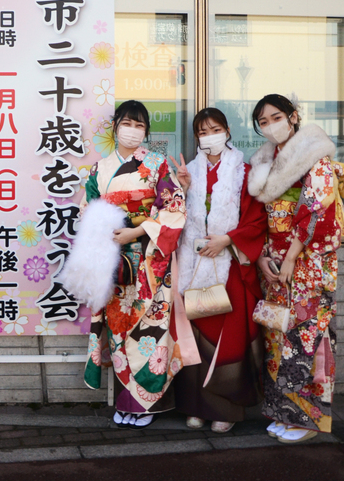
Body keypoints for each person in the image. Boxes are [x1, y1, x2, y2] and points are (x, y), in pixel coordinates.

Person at [249, 93, 344, 444]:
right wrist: (266, 256)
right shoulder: (268, 161)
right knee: (278, 335)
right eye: (263, 122)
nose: (270, 126)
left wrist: (294, 254)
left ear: (293, 116)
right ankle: (283, 411)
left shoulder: (315, 156)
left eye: (275, 117)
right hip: (277, 262)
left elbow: (317, 208)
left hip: (308, 260)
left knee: (306, 335)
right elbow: (266, 217)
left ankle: (307, 419)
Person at [74, 100, 187, 428]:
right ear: (115, 127)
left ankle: (145, 406)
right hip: (114, 259)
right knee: (120, 329)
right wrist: (103, 233)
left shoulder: (158, 164)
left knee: (149, 333)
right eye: (127, 123)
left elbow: (174, 208)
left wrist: (137, 231)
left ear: (146, 132)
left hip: (150, 261)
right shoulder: (100, 168)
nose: (133, 131)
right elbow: (88, 209)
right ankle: (127, 402)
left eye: (139, 126)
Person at [171, 108, 267, 432]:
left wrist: (228, 239)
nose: (209, 136)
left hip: (230, 264)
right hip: (194, 264)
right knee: (195, 338)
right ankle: (196, 405)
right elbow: (173, 217)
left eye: (214, 129)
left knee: (229, 338)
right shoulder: (190, 172)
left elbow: (257, 219)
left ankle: (226, 408)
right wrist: (182, 189)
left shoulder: (244, 171)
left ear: (226, 131)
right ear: (197, 137)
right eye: (202, 131)